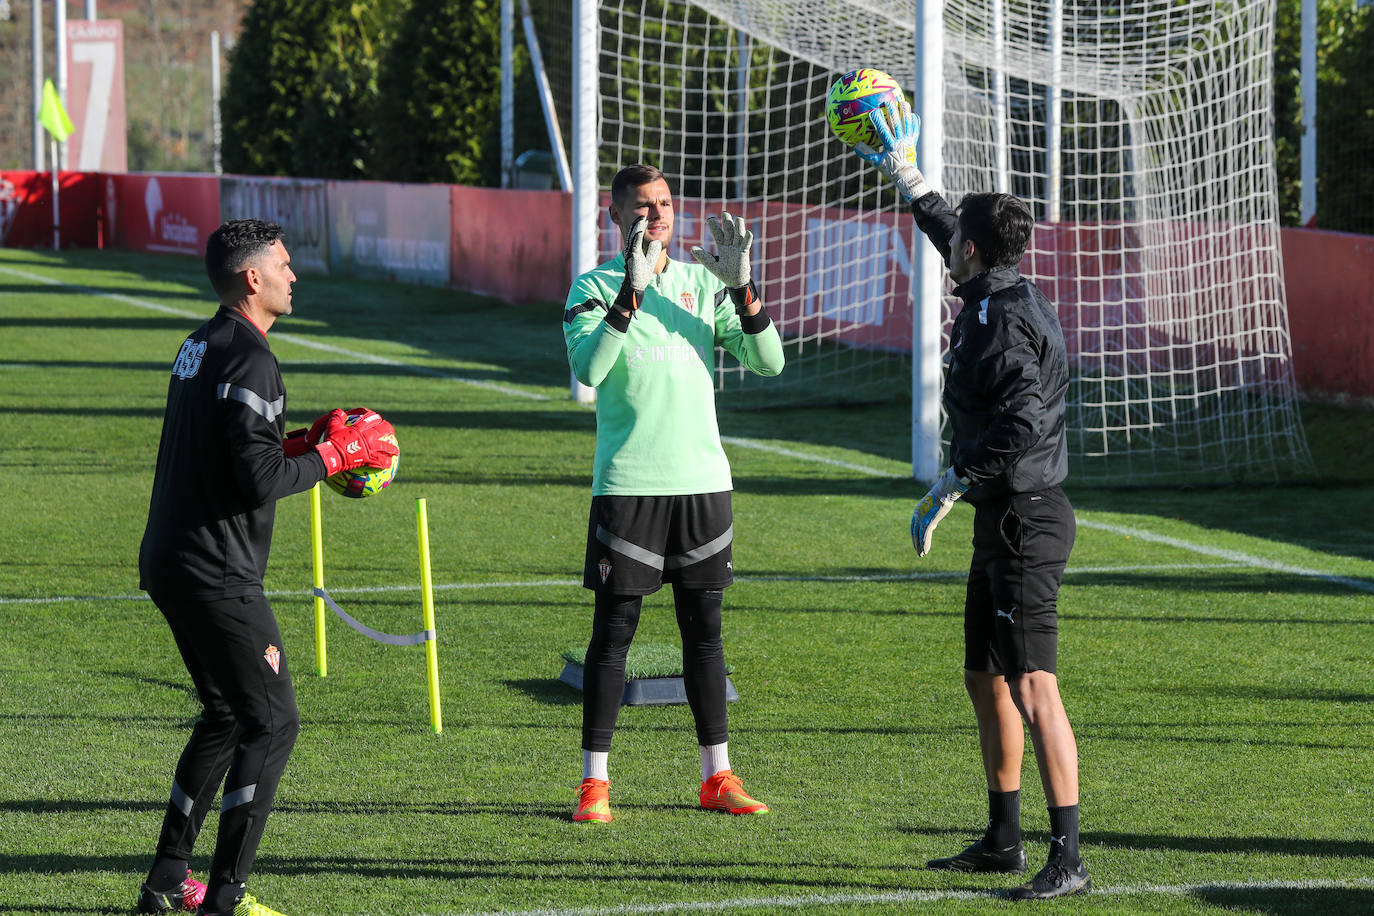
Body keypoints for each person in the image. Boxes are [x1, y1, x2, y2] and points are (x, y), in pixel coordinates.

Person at [854, 106, 1089, 899]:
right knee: (983, 678)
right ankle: (1003, 836)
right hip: (1004, 515)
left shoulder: (999, 321)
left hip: (1027, 519)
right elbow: (949, 226)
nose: (949, 245)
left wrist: (952, 481)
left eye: (959, 239)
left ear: (976, 251)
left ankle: (1069, 858)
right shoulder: (998, 287)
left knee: (1033, 686)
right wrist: (906, 174)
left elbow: (1024, 421)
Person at [135, 219, 397, 916]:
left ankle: (166, 881)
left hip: (171, 557)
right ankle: (225, 899)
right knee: (273, 724)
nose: (293, 274)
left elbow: (230, 453)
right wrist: (336, 457)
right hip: (216, 572)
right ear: (253, 278)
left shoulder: (199, 344)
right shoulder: (253, 358)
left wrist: (300, 443)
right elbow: (255, 481)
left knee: (225, 713)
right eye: (283, 265)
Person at [562, 163, 786, 824]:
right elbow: (588, 370)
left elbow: (769, 361)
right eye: (641, 208)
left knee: (705, 634)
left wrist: (743, 287)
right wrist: (629, 296)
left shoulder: (700, 283)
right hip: (630, 484)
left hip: (702, 484)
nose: (656, 217)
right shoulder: (593, 287)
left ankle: (717, 776)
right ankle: (593, 785)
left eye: (662, 205)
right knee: (614, 634)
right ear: (615, 217)